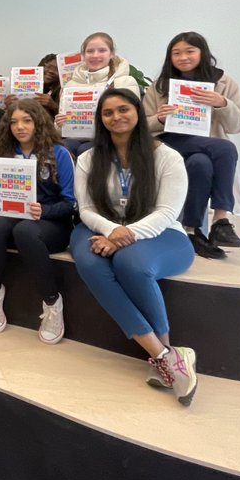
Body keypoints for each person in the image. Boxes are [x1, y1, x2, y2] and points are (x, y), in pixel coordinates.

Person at [70, 89, 198, 406]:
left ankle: (163, 354)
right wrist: (112, 230)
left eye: (123, 109)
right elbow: (85, 209)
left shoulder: (167, 157)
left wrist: (122, 236)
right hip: (100, 227)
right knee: (88, 261)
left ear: (139, 112)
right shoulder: (88, 158)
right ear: (100, 119)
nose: (116, 117)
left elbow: (167, 213)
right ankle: (166, 357)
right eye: (108, 113)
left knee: (132, 264)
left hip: (161, 234)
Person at [143, 32, 240, 260]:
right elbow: (142, 126)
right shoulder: (159, 86)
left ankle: (192, 231)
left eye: (190, 51)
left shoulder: (223, 82)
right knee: (226, 149)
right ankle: (221, 219)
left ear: (203, 53)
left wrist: (222, 104)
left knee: (201, 164)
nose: (183, 57)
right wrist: (159, 118)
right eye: (176, 53)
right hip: (171, 142)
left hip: (205, 145)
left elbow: (238, 125)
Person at [0, 99, 76, 344]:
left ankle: (53, 302)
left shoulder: (59, 153)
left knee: (25, 231)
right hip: (14, 218)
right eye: (13, 122)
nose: (19, 127)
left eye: (27, 121)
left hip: (51, 224)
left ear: (39, 123)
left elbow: (70, 204)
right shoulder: (2, 153)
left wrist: (44, 211)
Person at [56, 32, 138, 157]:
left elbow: (134, 119)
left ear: (111, 54)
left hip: (112, 137)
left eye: (102, 50)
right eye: (90, 51)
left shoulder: (125, 81)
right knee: (63, 148)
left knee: (86, 150)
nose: (95, 55)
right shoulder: (70, 85)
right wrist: (59, 123)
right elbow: (58, 130)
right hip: (75, 137)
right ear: (83, 55)